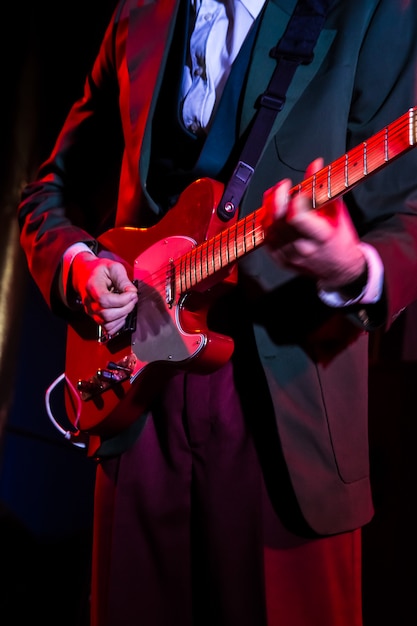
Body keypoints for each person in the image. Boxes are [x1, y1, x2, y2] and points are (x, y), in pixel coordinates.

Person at [17, 0, 417, 625]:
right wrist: (79, 267)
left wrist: (353, 270)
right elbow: (51, 188)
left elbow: (407, 216)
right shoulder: (137, 11)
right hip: (136, 398)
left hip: (286, 410)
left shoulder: (378, 10)